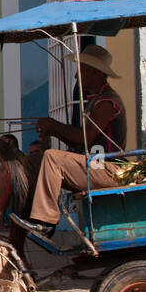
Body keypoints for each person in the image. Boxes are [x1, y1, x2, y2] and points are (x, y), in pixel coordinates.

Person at [11, 44, 128, 235]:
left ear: (94, 72)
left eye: (80, 71)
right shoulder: (94, 101)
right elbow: (80, 141)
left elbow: (85, 138)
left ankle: (46, 221)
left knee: (52, 158)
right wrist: (53, 131)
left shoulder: (107, 102)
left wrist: (54, 127)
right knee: (33, 161)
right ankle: (27, 214)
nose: (76, 77)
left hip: (106, 169)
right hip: (93, 165)